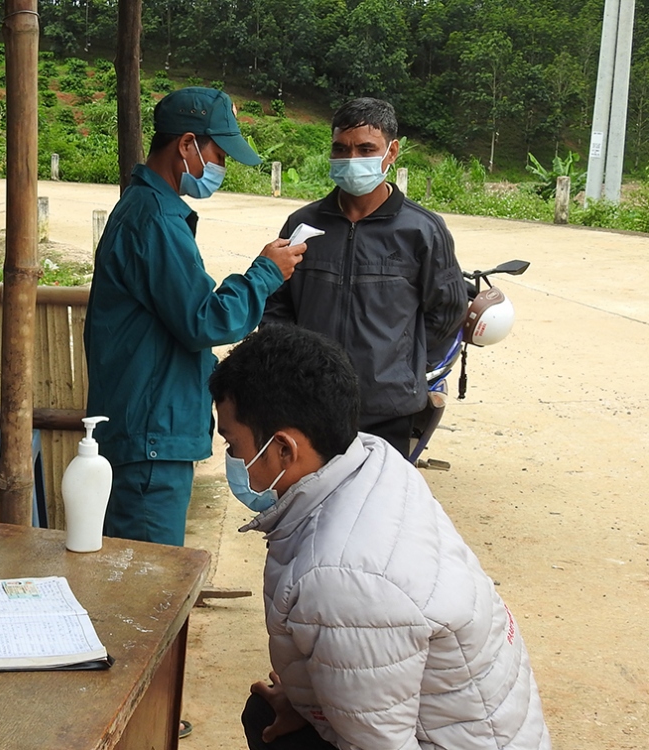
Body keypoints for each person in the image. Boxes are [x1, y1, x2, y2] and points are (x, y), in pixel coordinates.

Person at [209, 325, 551, 750]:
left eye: (232, 443)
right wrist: (309, 703)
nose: (231, 458)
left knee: (271, 731)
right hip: (478, 725)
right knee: (267, 711)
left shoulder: (341, 579)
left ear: (284, 449)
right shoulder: (375, 461)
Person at [84, 86, 307, 547]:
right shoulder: (154, 221)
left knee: (143, 575)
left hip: (152, 430)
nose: (221, 167)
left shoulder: (150, 212)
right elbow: (205, 320)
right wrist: (266, 273)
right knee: (147, 587)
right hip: (150, 437)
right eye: (218, 153)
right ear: (186, 145)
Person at [261, 97, 468, 459]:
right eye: (341, 149)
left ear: (392, 152)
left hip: (388, 408)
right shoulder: (303, 226)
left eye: (365, 149)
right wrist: (296, 366)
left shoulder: (422, 230)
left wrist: (402, 362)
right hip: (311, 405)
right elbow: (277, 305)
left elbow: (449, 311)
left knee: (379, 510)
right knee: (313, 509)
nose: (351, 160)